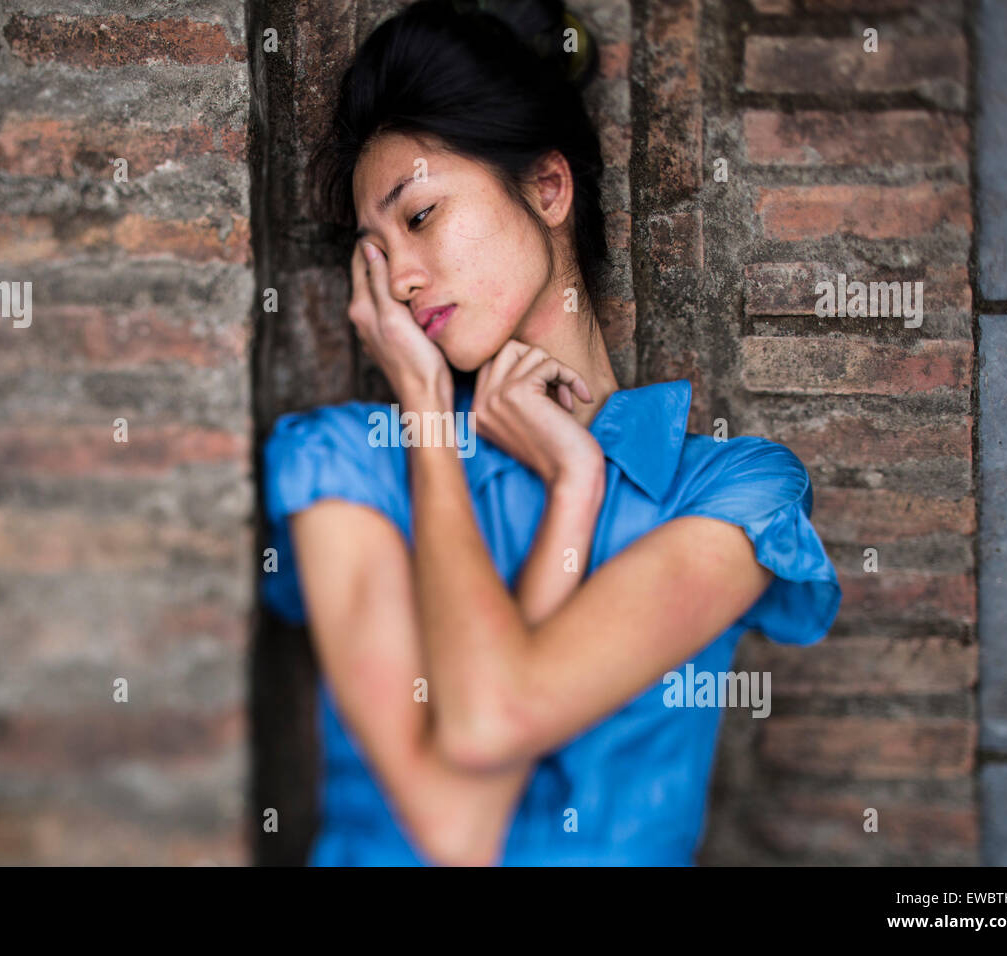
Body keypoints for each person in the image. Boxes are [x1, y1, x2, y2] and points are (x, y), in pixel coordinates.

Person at [260, 0, 842, 866]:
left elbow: (492, 718)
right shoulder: (343, 467)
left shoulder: (733, 495)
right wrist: (479, 444)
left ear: (546, 188)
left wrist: (581, 480)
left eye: (418, 216)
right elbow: (454, 832)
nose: (405, 278)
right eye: (375, 251)